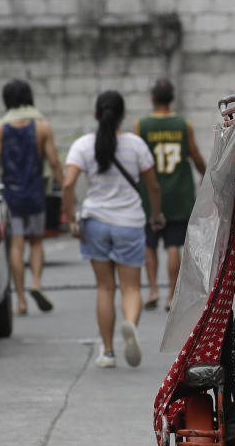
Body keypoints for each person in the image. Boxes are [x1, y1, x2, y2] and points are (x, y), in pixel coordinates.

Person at [61, 90, 165, 368]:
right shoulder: (136, 145)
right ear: (122, 116)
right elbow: (153, 186)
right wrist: (156, 214)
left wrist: (71, 218)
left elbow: (68, 184)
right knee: (131, 287)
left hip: (95, 222)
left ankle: (107, 352)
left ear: (96, 115)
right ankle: (129, 323)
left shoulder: (82, 145)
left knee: (105, 288)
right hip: (129, 223)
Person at [0, 79, 64, 315]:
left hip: (12, 195)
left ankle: (20, 299)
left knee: (16, 245)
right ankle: (36, 284)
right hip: (35, 192)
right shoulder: (42, 126)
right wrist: (63, 185)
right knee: (37, 241)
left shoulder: (1, 128)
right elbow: (53, 161)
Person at [135, 79, 206, 312]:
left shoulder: (141, 126)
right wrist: (207, 176)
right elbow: (195, 156)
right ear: (172, 98)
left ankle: (153, 289)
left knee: (150, 243)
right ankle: (170, 295)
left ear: (152, 98)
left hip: (150, 193)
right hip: (179, 193)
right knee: (173, 245)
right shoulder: (183, 125)